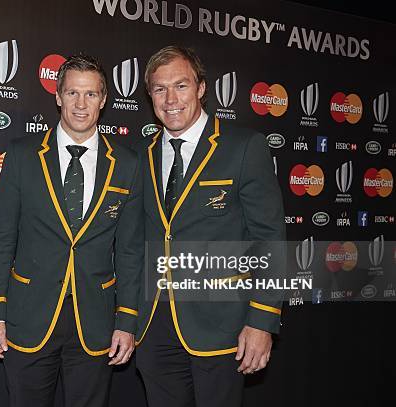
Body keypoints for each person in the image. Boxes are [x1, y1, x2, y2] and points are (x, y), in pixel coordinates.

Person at [0, 54, 143, 407]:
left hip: (95, 319)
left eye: (90, 94)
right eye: (72, 93)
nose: (81, 105)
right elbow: (1, 238)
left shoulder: (128, 164)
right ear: (57, 96)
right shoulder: (22, 155)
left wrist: (127, 320)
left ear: (103, 99)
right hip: (28, 315)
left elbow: (130, 251)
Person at [135, 45, 286, 407]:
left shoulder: (244, 147)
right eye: (159, 89)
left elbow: (269, 239)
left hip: (222, 326)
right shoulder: (142, 155)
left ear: (201, 88)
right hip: (155, 327)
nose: (170, 99)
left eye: (181, 86)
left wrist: (262, 320)